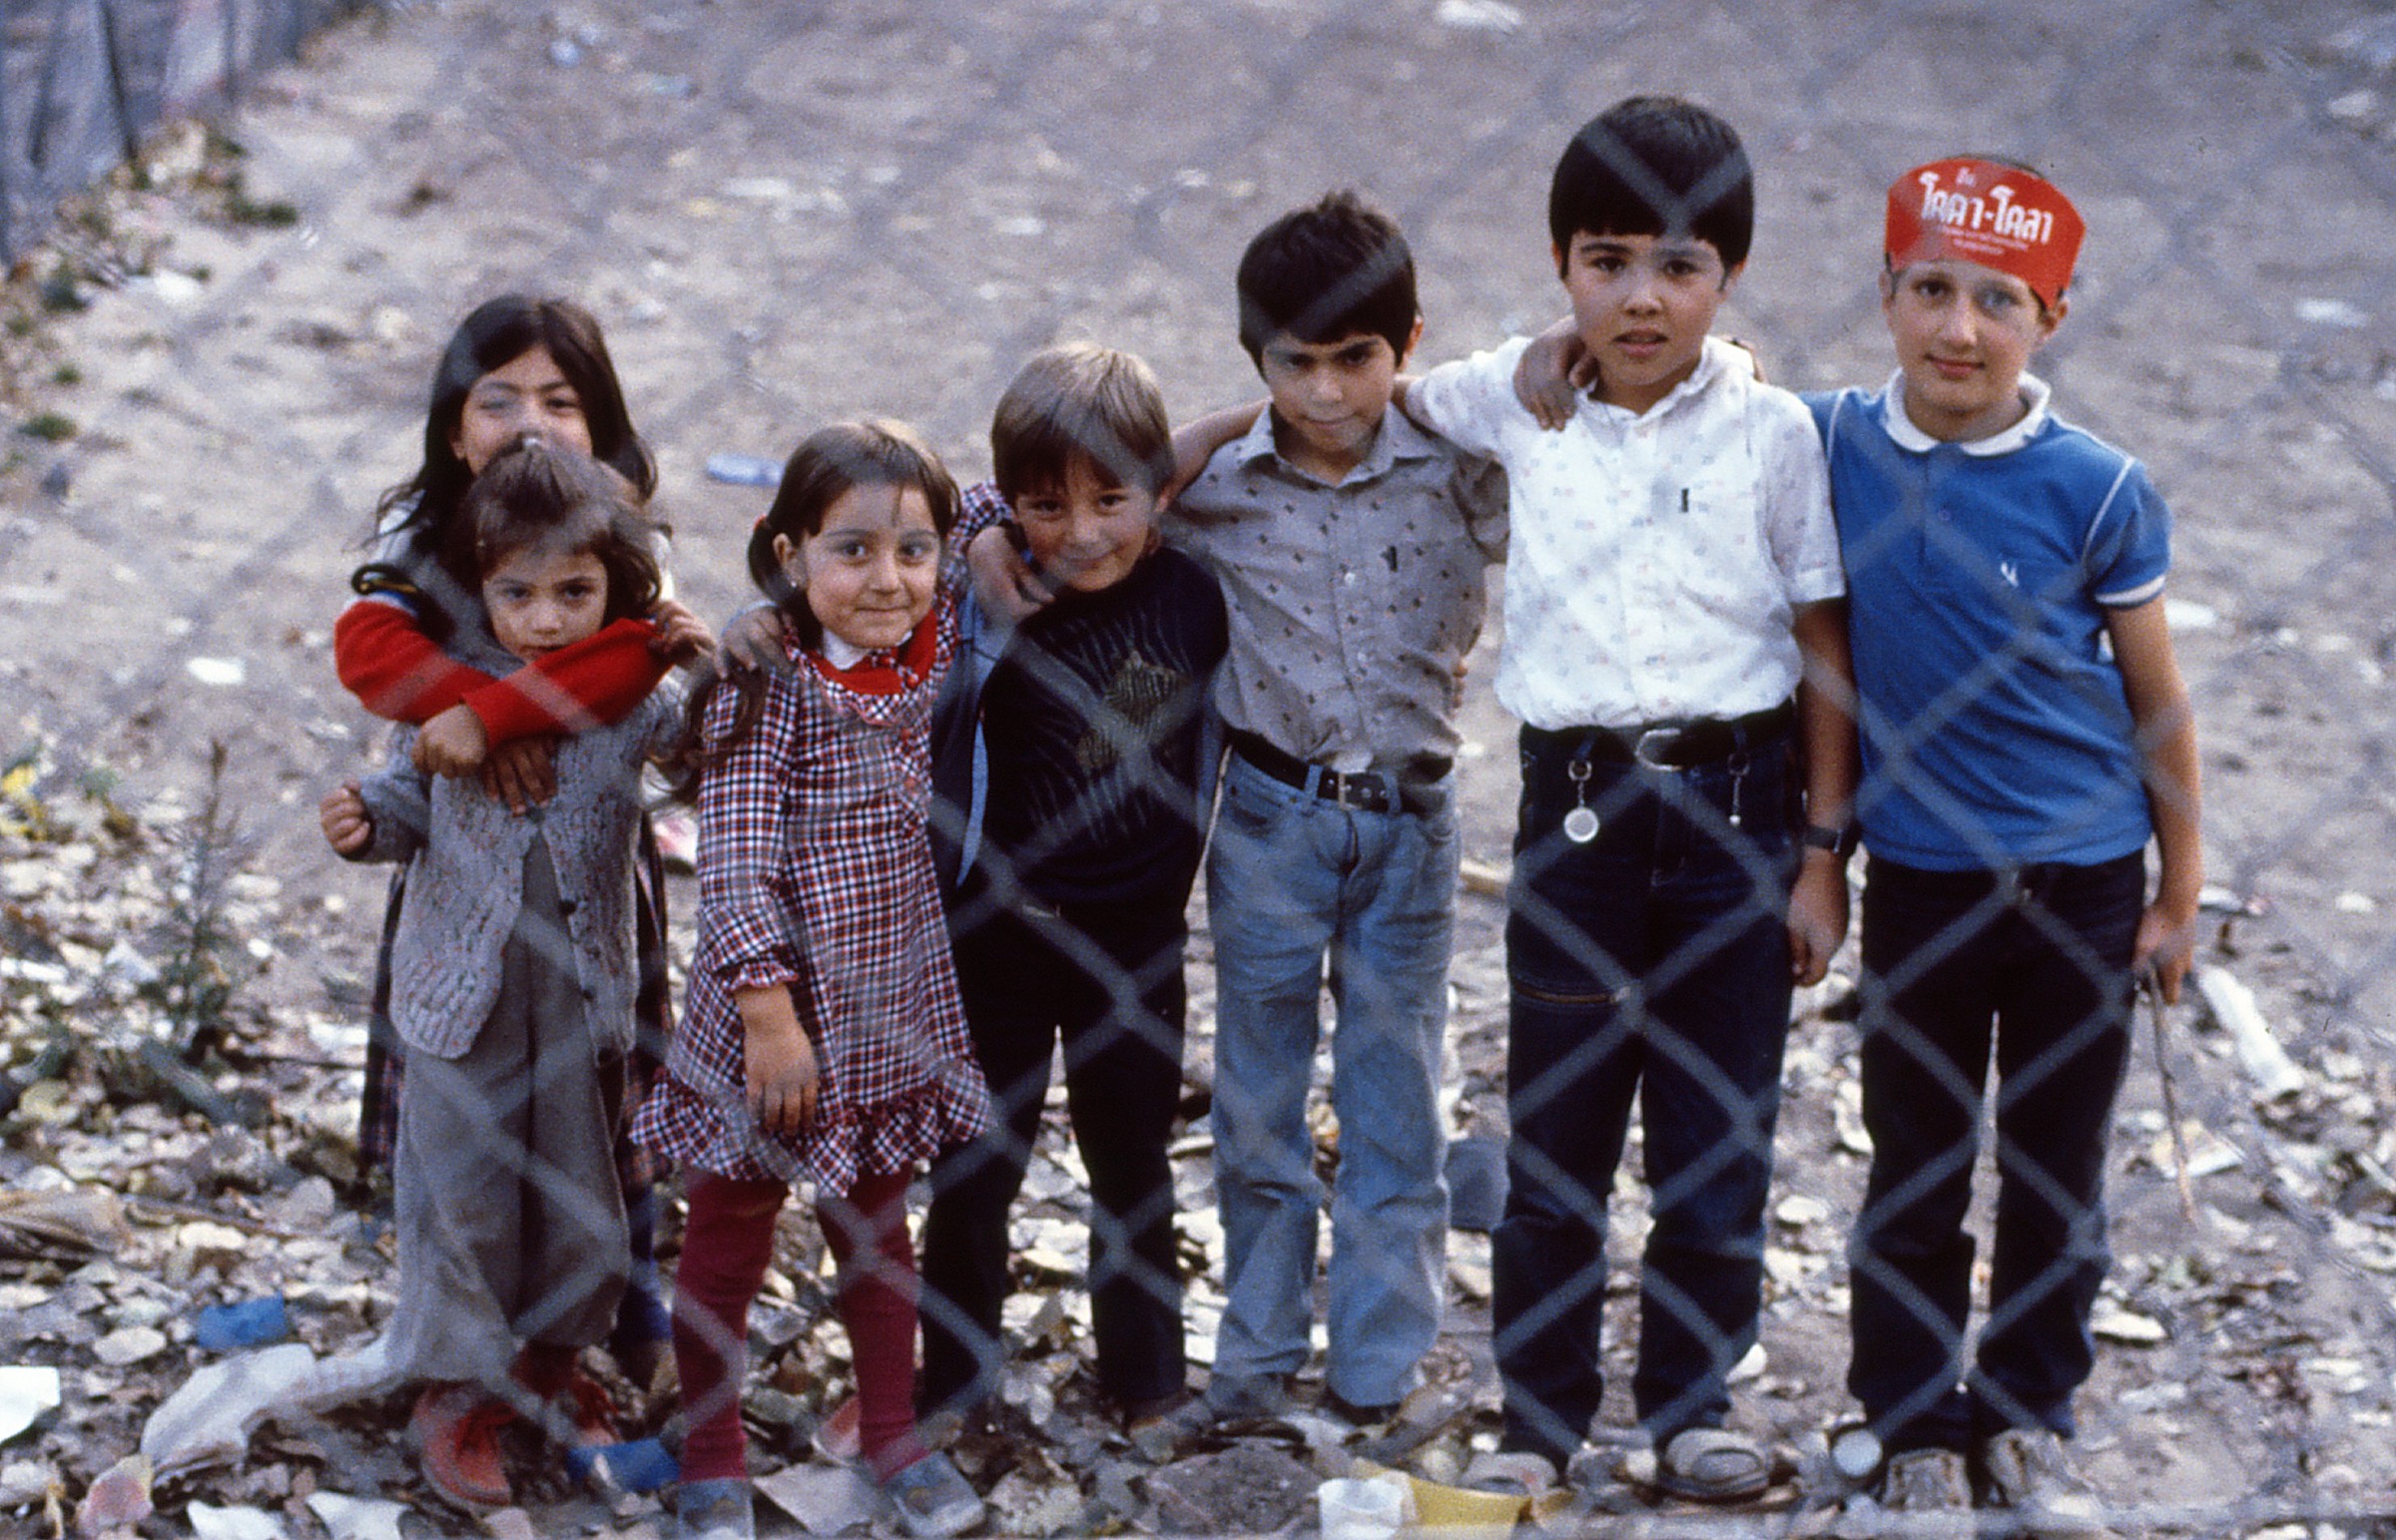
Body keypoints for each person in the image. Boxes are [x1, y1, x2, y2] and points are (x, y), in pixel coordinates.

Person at [968, 190, 1509, 1428]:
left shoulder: (1461, 473)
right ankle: (1257, 1354)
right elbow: (1070, 485)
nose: (1326, 393)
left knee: (1397, 1099)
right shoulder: (1201, 491)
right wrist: (985, 533)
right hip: (1267, 819)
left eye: (1357, 359)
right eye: (1295, 364)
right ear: (1255, 360)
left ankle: (1375, 1362)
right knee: (1259, 1103)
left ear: (1409, 342)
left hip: (1416, 826)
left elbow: (1578, 459)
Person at [1400, 96, 1856, 1500]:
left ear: (1729, 277)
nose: (1640, 296)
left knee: (1718, 1131)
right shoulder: (1515, 397)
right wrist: (1154, 466)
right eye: (1607, 261)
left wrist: (1826, 851)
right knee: (1561, 1126)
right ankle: (1539, 1410)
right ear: (1559, 262)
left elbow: (1827, 643)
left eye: (1679, 265)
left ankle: (1692, 1403)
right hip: (1579, 816)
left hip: (1741, 813)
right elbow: (1348, 396)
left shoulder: (1775, 430)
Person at [1811, 158, 2201, 1528]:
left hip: (2083, 878)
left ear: (2053, 317)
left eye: (1999, 300)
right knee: (1913, 1153)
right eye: (1930, 291)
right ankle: (1912, 1410)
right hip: (1922, 874)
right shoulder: (1835, 442)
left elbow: (2159, 706)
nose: (1958, 330)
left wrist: (2180, 891)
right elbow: (1708, 393)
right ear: (1887, 296)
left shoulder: (2096, 489)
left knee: (2054, 1164)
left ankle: (2031, 1403)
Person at [332, 294, 707, 1386]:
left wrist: (500, 716)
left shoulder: (621, 535)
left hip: (594, 874)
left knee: (602, 1108)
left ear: (604, 429)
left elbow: (631, 666)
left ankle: (618, 1319)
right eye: (499, 400)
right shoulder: (429, 543)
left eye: (561, 399)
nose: (530, 420)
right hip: (464, 875)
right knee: (467, 1115)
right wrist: (472, 715)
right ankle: (463, 1362)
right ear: (456, 428)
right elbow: (367, 652)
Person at [637, 422, 994, 1540]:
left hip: (886, 1008)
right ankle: (711, 1448)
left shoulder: (933, 643)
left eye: (911, 550)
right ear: (788, 552)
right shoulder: (766, 686)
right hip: (772, 1020)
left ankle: (890, 1426)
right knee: (728, 1234)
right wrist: (766, 1010)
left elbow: (992, 503)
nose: (886, 578)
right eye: (851, 551)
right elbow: (732, 859)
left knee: (878, 1229)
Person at [913, 343, 1227, 1434]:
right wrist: (984, 536)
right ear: (1011, 502)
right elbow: (881, 533)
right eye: (1049, 504)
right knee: (977, 1165)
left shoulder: (1195, 589)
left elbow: (1255, 433)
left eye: (1113, 498)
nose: (1084, 531)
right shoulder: (986, 591)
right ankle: (952, 1387)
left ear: (1160, 488)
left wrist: (1218, 428)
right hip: (994, 934)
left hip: (1135, 945)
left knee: (1130, 1160)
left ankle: (1145, 1381)